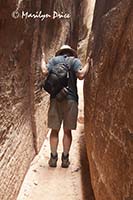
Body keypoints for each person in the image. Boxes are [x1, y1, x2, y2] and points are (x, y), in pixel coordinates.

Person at [41, 45, 91, 168]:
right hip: (71, 100)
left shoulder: (54, 60)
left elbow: (44, 71)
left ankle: (53, 158)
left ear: (60, 52)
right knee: (67, 131)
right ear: (71, 52)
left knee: (54, 130)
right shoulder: (74, 61)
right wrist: (88, 62)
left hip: (55, 99)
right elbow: (81, 75)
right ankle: (65, 159)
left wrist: (42, 59)